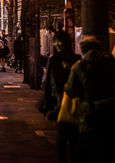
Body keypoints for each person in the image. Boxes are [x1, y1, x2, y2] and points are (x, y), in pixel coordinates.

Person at [65, 37, 115, 163]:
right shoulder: (111, 62)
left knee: (84, 153)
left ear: (83, 50)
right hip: (110, 116)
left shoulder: (79, 66)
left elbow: (71, 91)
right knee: (107, 153)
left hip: (89, 116)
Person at [42, 31, 80, 162]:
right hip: (59, 103)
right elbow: (47, 84)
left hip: (75, 103)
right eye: (56, 41)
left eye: (61, 41)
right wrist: (48, 104)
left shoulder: (77, 59)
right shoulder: (53, 60)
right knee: (62, 138)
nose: (58, 44)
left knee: (74, 138)